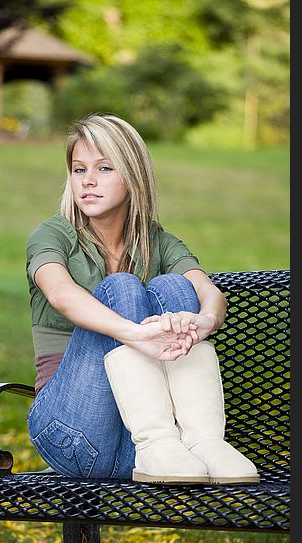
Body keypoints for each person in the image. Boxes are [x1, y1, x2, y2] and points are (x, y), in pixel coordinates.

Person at [26, 113, 259, 485]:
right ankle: (162, 440)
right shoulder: (52, 235)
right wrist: (134, 334)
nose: (87, 181)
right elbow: (61, 294)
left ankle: (203, 440)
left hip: (154, 454)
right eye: (78, 169)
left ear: (133, 175)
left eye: (104, 168)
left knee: (175, 289)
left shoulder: (158, 241)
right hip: (73, 435)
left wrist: (204, 323)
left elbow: (208, 292)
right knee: (122, 288)